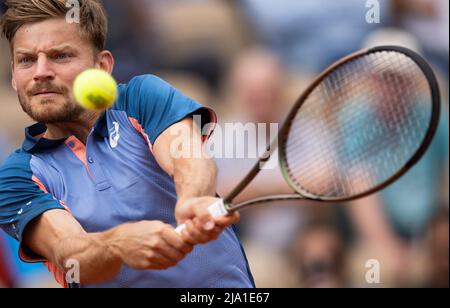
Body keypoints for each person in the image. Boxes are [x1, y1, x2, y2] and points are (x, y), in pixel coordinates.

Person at [0, 0, 253, 288]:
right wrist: (119, 245)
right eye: (26, 60)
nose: (40, 72)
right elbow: (70, 254)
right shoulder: (16, 177)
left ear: (102, 66)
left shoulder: (141, 97)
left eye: (60, 56)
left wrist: (193, 198)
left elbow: (187, 155)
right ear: (13, 77)